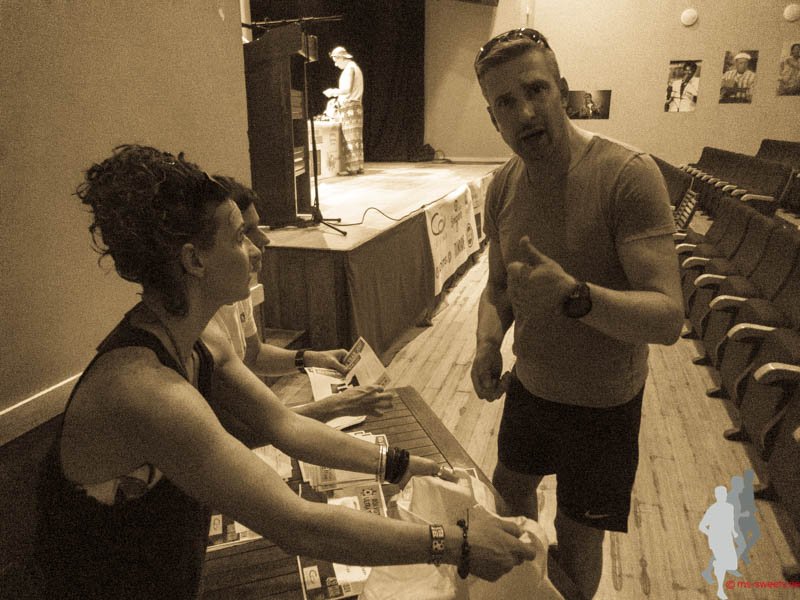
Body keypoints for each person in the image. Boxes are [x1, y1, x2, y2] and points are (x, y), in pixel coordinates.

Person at [35, 145, 537, 599]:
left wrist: (404, 464)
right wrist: (455, 544)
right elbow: (297, 525)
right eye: (239, 237)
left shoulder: (201, 336)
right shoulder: (145, 391)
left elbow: (286, 426)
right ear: (194, 261)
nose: (257, 249)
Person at [470, 28, 683, 598]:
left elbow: (667, 318)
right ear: (493, 119)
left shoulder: (628, 174)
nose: (525, 112)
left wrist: (573, 296)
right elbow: (498, 288)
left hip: (604, 407)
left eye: (536, 90)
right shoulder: (502, 187)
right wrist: (487, 344)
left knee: (577, 538)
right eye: (505, 103)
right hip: (532, 389)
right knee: (508, 497)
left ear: (562, 91)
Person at [205, 175, 391, 433]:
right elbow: (237, 430)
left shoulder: (234, 289)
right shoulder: (199, 330)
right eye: (243, 234)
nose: (262, 242)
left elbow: (254, 355)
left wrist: (311, 358)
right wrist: (336, 406)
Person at [324, 46, 364, 175]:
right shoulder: (354, 67)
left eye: (336, 61)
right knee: (356, 137)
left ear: (341, 58)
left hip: (350, 106)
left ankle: (352, 168)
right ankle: (358, 166)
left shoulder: (349, 69)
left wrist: (332, 92)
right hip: (356, 105)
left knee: (349, 136)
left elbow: (346, 90)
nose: (335, 64)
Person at [699, 486, 739, 600]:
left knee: (732, 564)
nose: (723, 496)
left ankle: (714, 566)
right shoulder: (713, 510)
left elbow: (730, 522)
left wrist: (734, 533)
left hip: (727, 538)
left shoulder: (730, 507)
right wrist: (711, 534)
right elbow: (702, 526)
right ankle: (720, 590)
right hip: (717, 540)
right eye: (721, 495)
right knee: (723, 563)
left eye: (724, 494)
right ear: (717, 496)